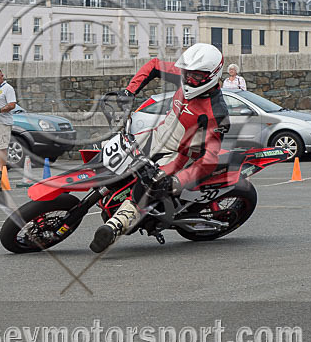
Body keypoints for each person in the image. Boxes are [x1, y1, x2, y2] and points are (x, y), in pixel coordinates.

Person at [90, 43, 230, 253]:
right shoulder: (184, 76)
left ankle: (115, 227)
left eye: (196, 77)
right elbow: (154, 65)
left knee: (150, 184)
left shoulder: (216, 113)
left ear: (212, 75)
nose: (189, 79)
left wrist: (177, 180)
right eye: (187, 73)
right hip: (155, 135)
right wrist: (130, 91)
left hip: (177, 156)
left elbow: (209, 159)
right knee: (110, 151)